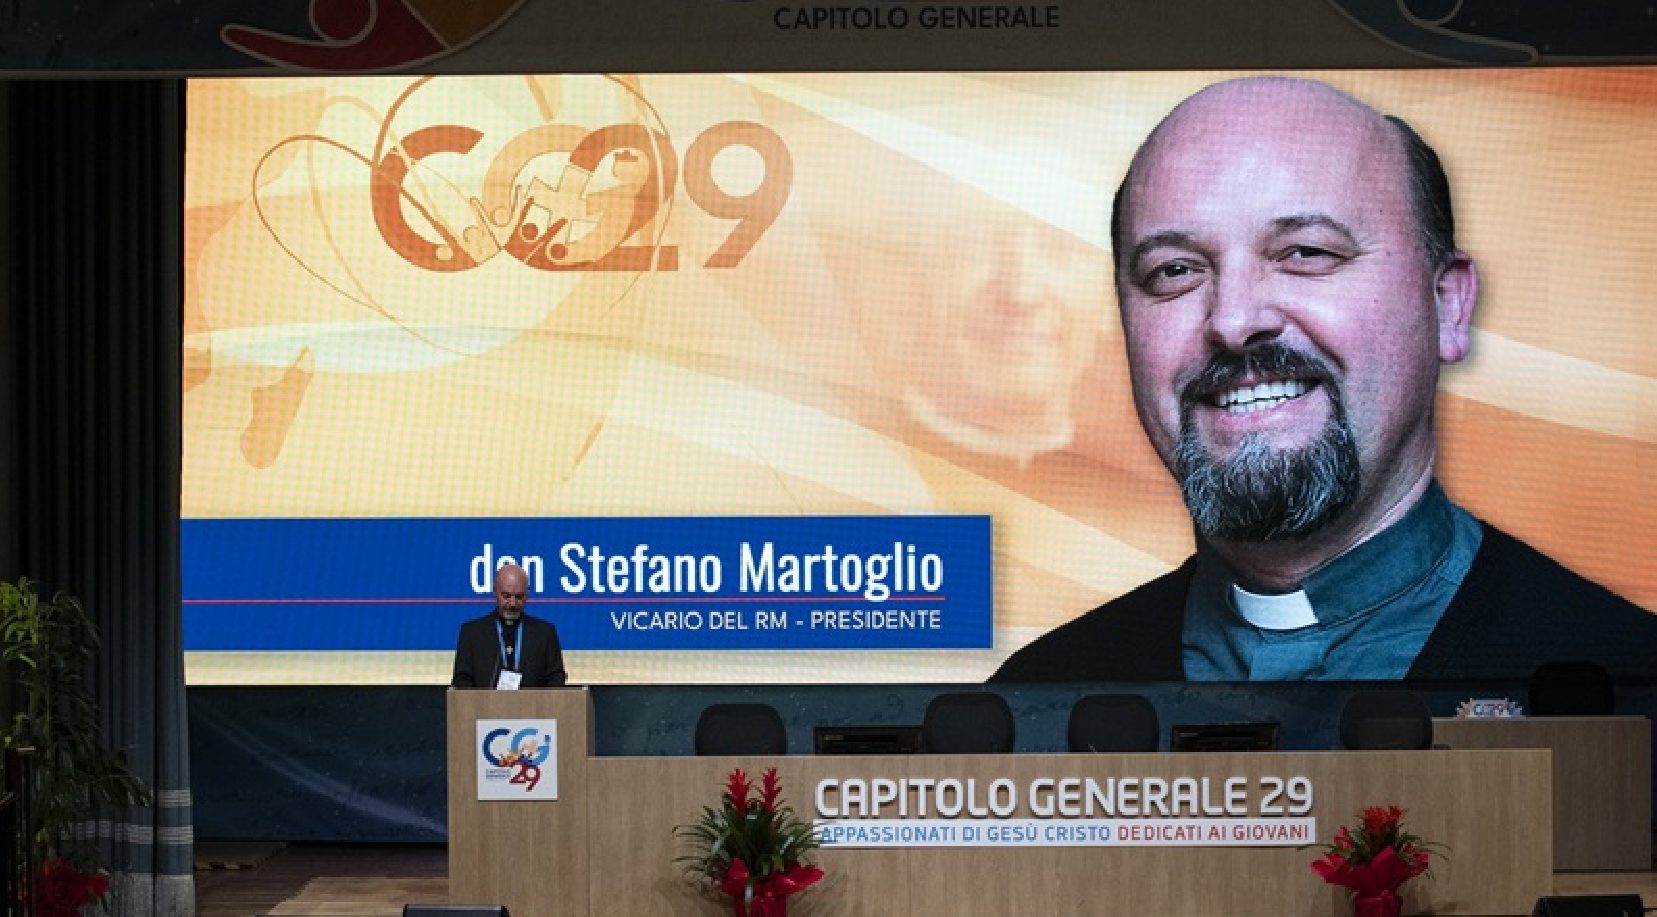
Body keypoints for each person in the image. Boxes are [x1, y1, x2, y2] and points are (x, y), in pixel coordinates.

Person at [994, 76, 1657, 682]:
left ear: (1446, 306)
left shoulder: (1632, 688)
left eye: (1306, 253)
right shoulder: (1037, 705)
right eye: (1174, 270)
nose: (1233, 321)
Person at [452, 563, 568, 688]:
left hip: (533, 701)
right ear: (495, 591)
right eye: (506, 596)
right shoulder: (472, 633)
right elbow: (461, 680)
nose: (512, 603)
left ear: (527, 594)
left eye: (519, 597)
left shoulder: (545, 633)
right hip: (485, 701)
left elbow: (556, 678)